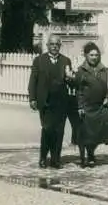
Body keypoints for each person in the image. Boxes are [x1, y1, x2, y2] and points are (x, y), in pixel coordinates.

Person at [28, 34, 74, 169]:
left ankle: (55, 159)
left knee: (59, 131)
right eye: (52, 44)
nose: (54, 47)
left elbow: (70, 82)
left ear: (60, 46)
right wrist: (32, 98)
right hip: (45, 101)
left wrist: (71, 78)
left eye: (57, 45)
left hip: (61, 101)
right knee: (47, 129)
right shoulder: (39, 60)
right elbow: (33, 81)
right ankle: (43, 158)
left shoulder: (66, 61)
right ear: (47, 45)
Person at [72, 42, 108, 168]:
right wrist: (80, 107)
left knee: (97, 133)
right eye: (91, 55)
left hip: (99, 106)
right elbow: (79, 90)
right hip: (86, 106)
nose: (94, 57)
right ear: (86, 56)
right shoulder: (81, 70)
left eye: (96, 55)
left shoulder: (102, 69)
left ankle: (91, 154)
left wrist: (107, 97)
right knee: (84, 133)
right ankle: (83, 157)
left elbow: (105, 87)